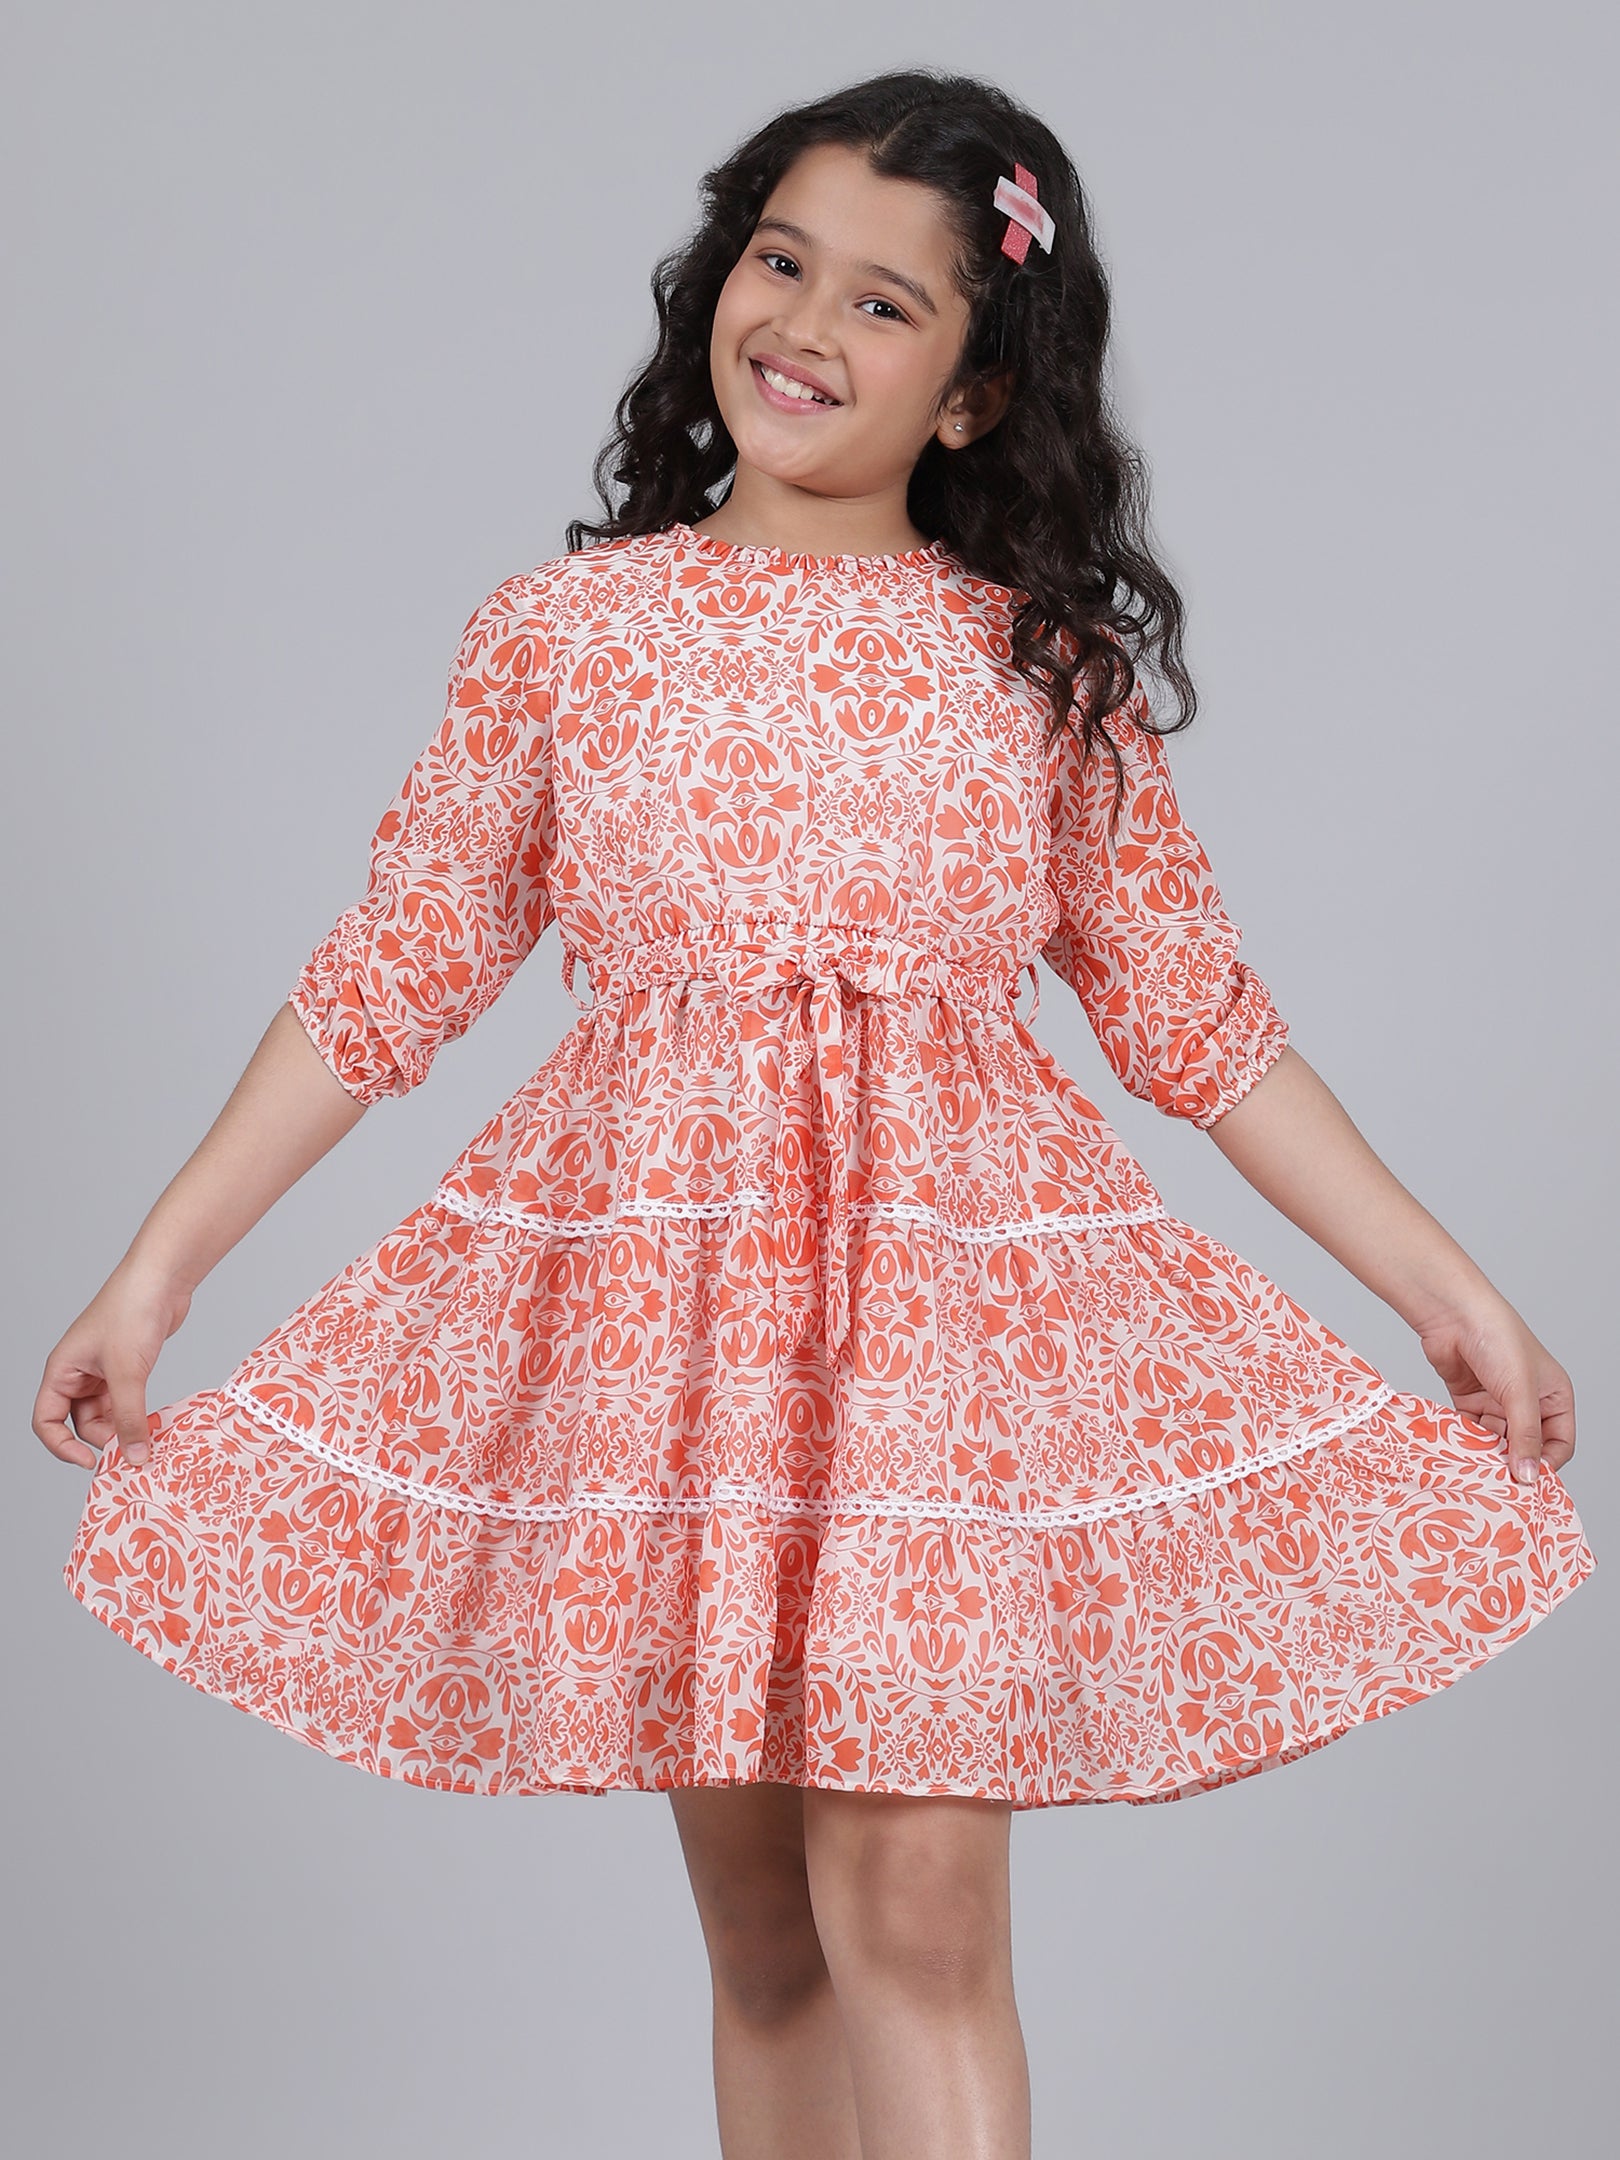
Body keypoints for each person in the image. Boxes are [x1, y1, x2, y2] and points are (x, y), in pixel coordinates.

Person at [36, 66, 1595, 2160]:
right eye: (782, 262)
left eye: (886, 303)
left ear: (974, 393)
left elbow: (1203, 1025)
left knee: (919, 1912)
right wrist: (156, 1274)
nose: (805, 325)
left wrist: (1444, 1286)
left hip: (938, 1351)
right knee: (770, 1946)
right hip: (684, 1349)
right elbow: (391, 973)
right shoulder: (569, 638)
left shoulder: (1034, 668)